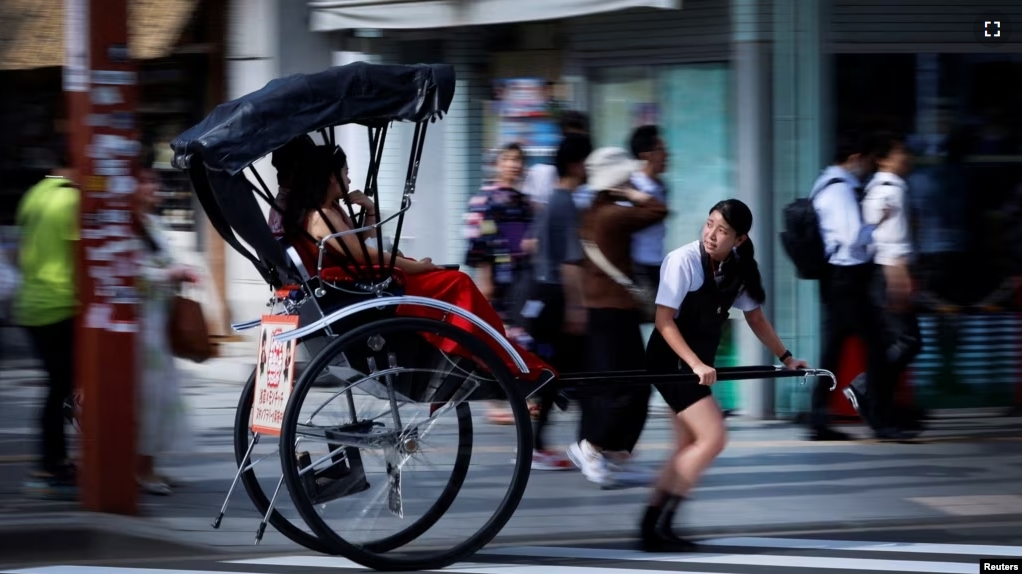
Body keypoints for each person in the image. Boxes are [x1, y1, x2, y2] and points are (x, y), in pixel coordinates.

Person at [282, 144, 553, 383]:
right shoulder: (322, 216)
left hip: (359, 280)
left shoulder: (329, 211)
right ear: (331, 177)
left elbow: (358, 244)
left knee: (450, 278)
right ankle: (483, 354)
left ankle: (482, 350)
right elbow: (366, 256)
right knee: (458, 282)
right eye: (345, 173)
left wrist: (371, 210)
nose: (349, 178)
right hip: (360, 285)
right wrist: (417, 267)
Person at [642, 199, 808, 551]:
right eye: (709, 224)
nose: (711, 235)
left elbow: (756, 318)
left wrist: (787, 357)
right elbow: (663, 321)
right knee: (713, 438)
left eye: (723, 231)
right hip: (671, 360)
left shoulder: (738, 268)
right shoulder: (682, 261)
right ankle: (660, 524)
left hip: (697, 363)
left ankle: (652, 526)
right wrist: (696, 365)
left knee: (688, 445)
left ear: (740, 239)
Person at [567, 147, 668, 487]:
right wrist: (632, 193)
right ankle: (595, 448)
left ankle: (615, 455)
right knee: (629, 386)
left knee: (619, 385)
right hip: (615, 310)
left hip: (600, 308)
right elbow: (658, 209)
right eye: (624, 175)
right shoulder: (614, 214)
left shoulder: (590, 212)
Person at [808, 130, 894, 441]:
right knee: (879, 346)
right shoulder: (840, 190)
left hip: (836, 280)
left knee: (833, 350)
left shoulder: (824, 183)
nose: (869, 167)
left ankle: (818, 419)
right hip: (847, 280)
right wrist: (878, 223)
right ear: (855, 159)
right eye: (868, 160)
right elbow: (852, 237)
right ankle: (879, 417)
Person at [523, 133, 592, 470]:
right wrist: (577, 307)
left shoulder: (554, 200)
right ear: (578, 164)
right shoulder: (566, 203)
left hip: (544, 293)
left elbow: (532, 244)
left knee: (560, 374)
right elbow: (570, 261)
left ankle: (542, 444)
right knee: (577, 372)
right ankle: (583, 445)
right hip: (559, 296)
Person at [14, 163, 80, 500]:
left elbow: (19, 250)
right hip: (60, 304)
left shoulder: (36, 193)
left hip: (30, 304)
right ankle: (50, 466)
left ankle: (56, 461)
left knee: (59, 387)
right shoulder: (71, 201)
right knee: (61, 388)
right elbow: (80, 254)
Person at [133, 162, 197, 495]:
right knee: (148, 398)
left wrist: (179, 271)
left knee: (159, 397)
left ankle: (149, 466)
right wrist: (170, 275)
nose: (155, 187)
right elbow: (132, 273)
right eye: (146, 181)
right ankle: (141, 470)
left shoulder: (152, 223)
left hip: (158, 324)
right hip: (140, 329)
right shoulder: (126, 228)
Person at [464, 143, 534, 424]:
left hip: (520, 276)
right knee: (496, 336)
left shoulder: (523, 201)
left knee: (518, 335)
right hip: (496, 276)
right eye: (508, 159)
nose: (513, 165)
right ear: (497, 164)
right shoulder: (484, 199)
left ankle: (516, 396)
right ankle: (496, 402)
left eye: (518, 160)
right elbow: (479, 239)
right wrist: (486, 276)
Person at [627, 125, 669, 294]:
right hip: (639, 265)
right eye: (661, 150)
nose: (666, 155)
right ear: (645, 155)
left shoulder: (662, 186)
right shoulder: (633, 186)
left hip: (657, 261)